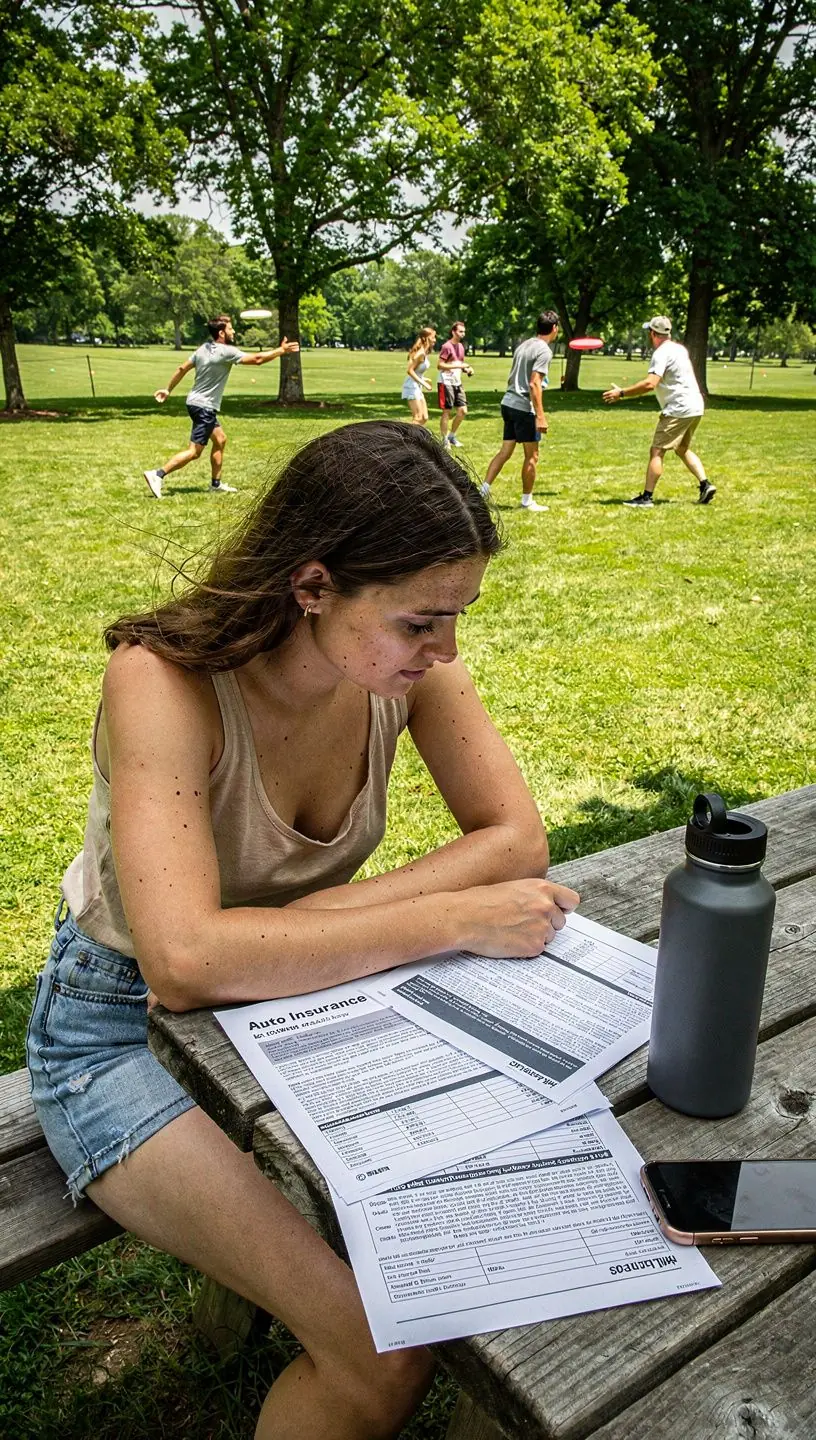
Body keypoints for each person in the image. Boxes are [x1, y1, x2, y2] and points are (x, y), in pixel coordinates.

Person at [27, 421, 579, 1440]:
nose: (446, 651)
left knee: (517, 1235)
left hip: (301, 994)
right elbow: (185, 963)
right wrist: (443, 918)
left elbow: (516, 838)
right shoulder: (162, 682)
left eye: (453, 621)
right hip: (115, 1036)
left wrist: (303, 925)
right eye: (420, 622)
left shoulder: (404, 669)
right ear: (313, 585)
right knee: (383, 1354)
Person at [143, 315, 300, 499]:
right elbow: (257, 359)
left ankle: (215, 484)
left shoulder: (202, 349)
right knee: (194, 452)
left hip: (194, 402)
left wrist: (168, 389)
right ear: (221, 332)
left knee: (220, 439)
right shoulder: (226, 352)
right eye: (230, 329)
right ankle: (158, 474)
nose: (233, 331)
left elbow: (181, 369)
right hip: (205, 407)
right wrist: (281, 350)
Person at [602, 315, 716, 508]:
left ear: (653, 333)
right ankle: (706, 484)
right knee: (682, 448)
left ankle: (646, 497)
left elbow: (650, 383)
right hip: (695, 405)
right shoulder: (679, 349)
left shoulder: (661, 353)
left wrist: (621, 393)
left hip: (678, 408)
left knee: (657, 451)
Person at [480, 311, 558, 513]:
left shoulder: (523, 345)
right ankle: (527, 500)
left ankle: (482, 491)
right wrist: (540, 415)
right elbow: (534, 384)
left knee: (505, 452)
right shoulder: (545, 351)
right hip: (524, 407)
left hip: (508, 402)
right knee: (532, 456)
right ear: (555, 328)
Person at [437, 320, 474, 446]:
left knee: (463, 411)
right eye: (460, 331)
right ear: (453, 332)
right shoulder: (447, 347)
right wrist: (460, 366)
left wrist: (467, 369)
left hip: (457, 382)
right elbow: (440, 365)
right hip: (445, 382)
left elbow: (459, 365)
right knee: (446, 411)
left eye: (464, 332)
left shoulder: (461, 347)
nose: (462, 334)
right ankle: (444, 440)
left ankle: (452, 436)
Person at [401, 327, 436, 424]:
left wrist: (424, 379)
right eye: (433, 337)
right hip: (411, 386)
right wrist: (424, 383)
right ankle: (406, 437)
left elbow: (416, 372)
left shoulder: (424, 352)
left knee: (424, 417)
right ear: (426, 338)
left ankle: (412, 436)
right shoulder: (421, 354)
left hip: (417, 386)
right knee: (418, 417)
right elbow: (410, 371)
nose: (435, 340)